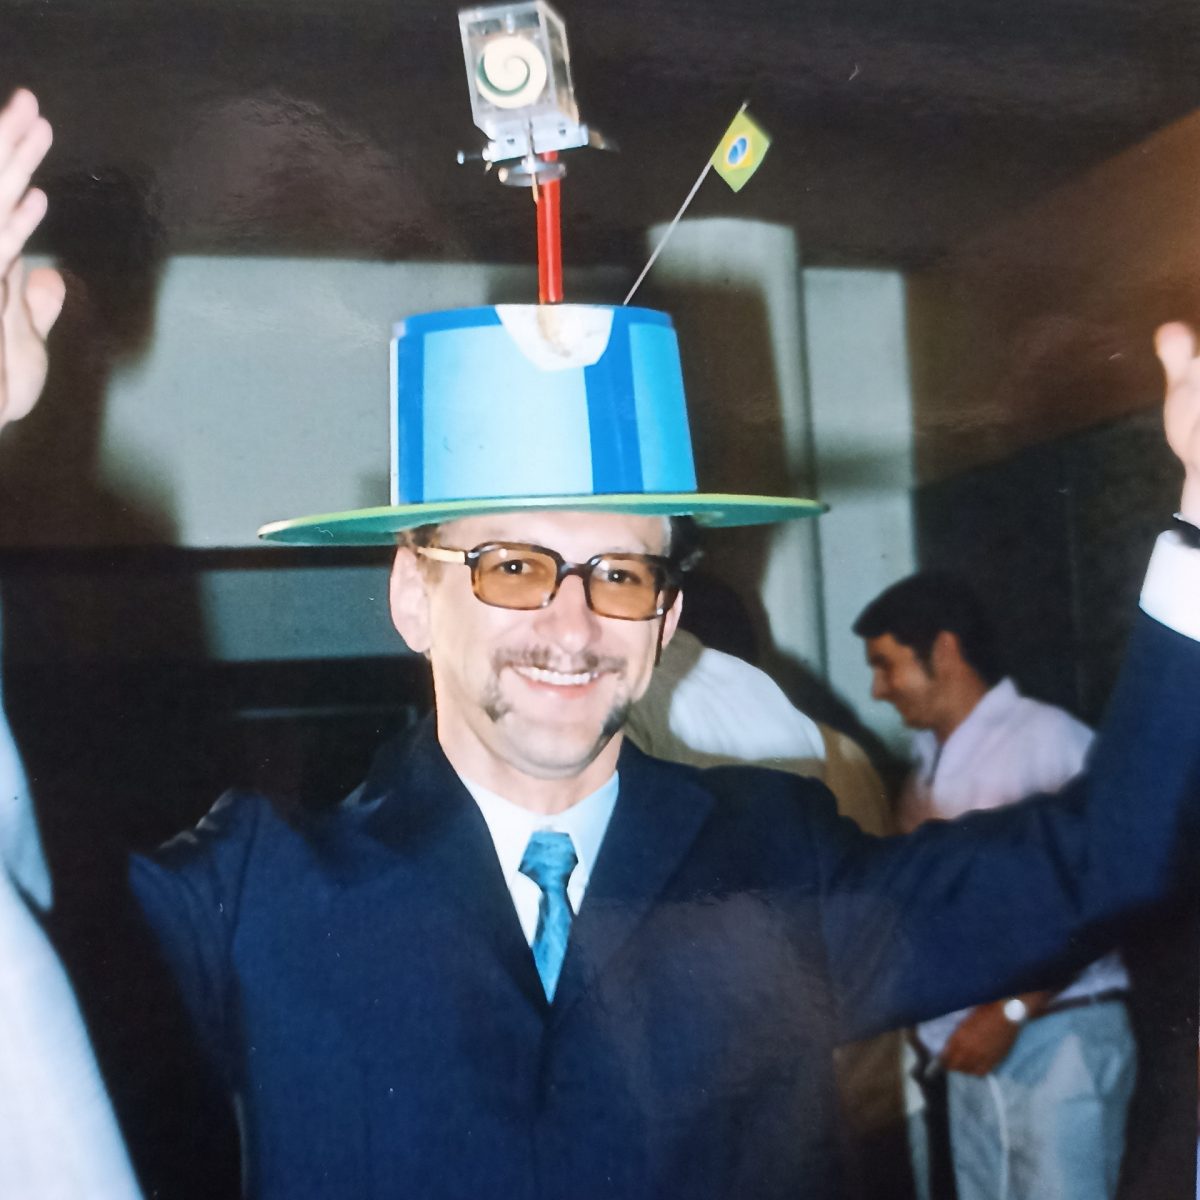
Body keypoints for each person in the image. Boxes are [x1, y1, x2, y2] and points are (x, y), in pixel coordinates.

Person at [2, 86, 1200, 1200]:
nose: (570, 625)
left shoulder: (773, 860)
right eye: (514, 566)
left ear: (669, 617)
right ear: (414, 598)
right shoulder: (258, 894)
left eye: (619, 573)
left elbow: (1109, 857)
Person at [853, 573, 1135, 1200]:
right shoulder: (925, 765)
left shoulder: (1048, 738)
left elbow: (1113, 887)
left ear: (945, 651)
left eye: (886, 665)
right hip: (969, 1058)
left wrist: (1011, 1009)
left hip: (1055, 1038)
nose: (876, 690)